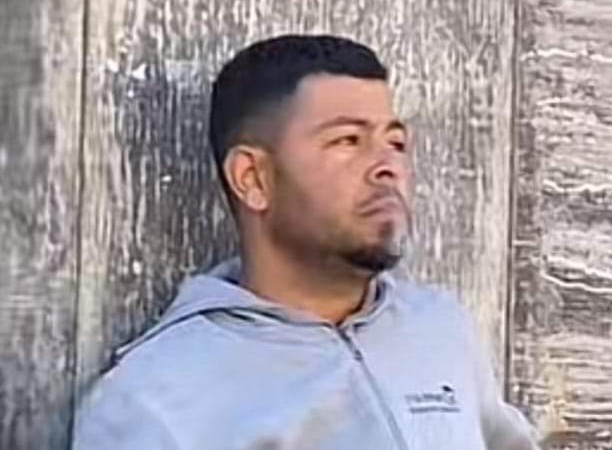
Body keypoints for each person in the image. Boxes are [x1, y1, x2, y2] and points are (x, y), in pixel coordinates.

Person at [73, 34, 541, 450]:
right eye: (348, 141)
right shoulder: (153, 399)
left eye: (395, 143)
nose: (387, 166)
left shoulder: (438, 328)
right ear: (253, 178)